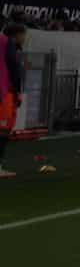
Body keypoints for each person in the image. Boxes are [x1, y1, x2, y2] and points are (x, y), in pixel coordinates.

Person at [0, 20, 25, 179]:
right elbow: (14, 69)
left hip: (6, 91)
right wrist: (18, 91)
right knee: (3, 130)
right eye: (23, 35)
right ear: (17, 35)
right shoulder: (6, 44)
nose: (25, 38)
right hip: (5, 92)